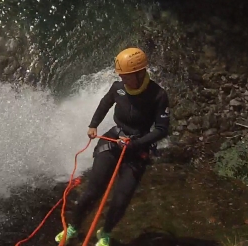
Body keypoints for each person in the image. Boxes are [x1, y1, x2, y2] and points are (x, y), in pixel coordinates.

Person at [55, 47, 170, 246]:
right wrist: (93, 124)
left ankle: (105, 232)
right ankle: (73, 227)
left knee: (121, 198)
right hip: (113, 141)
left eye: (127, 76)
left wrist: (137, 143)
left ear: (140, 72)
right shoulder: (117, 87)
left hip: (137, 146)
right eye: (121, 75)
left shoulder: (158, 95)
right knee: (93, 190)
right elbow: (104, 104)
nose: (123, 79)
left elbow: (161, 129)